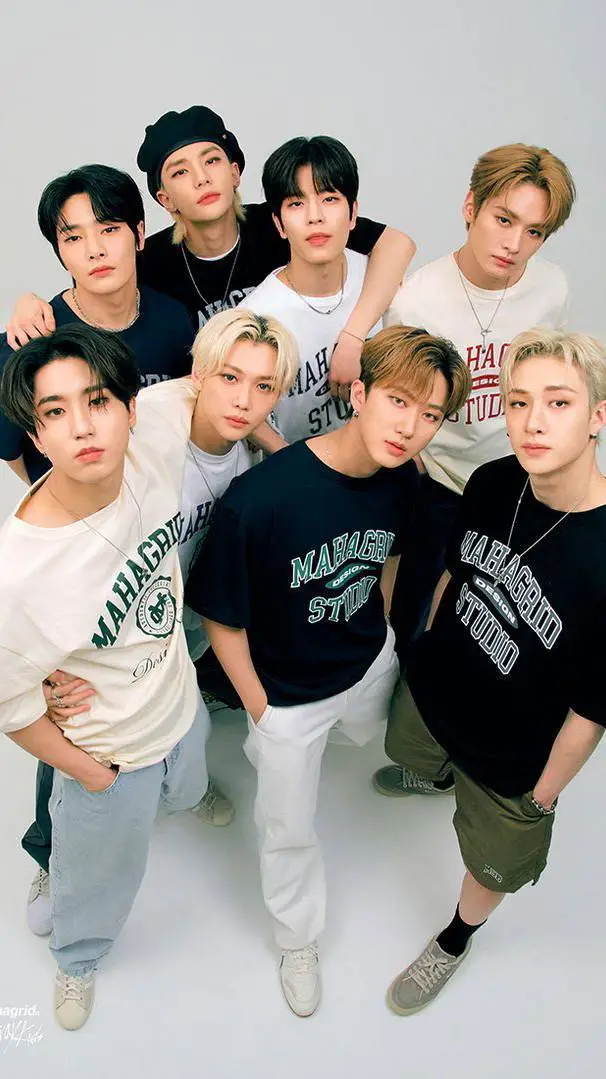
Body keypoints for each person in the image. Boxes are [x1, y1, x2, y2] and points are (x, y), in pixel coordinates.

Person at [0, 317, 297, 1030]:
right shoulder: (21, 576)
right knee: (101, 873)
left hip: (176, 695)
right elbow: (11, 708)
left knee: (190, 783)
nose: (83, 426)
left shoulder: (158, 427)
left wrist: (282, 447)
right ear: (36, 436)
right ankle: (77, 956)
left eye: (98, 401)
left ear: (131, 408)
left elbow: (224, 389)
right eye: (55, 412)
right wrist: (91, 772)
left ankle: (182, 792)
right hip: (110, 748)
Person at [184, 326, 471, 1017]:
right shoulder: (261, 498)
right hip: (287, 698)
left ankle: (399, 762)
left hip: (366, 661)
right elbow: (222, 617)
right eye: (398, 401)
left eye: (430, 414)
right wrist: (262, 711)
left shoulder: (401, 479)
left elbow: (391, 555)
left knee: (377, 732)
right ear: (360, 394)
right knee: (287, 827)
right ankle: (297, 938)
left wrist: (384, 624)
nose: (410, 427)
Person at [372, 329, 606, 1015]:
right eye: (519, 402)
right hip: (438, 691)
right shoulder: (494, 480)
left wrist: (541, 798)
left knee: (491, 863)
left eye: (558, 402)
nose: (533, 421)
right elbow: (454, 574)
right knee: (408, 751)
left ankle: (454, 939)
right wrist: (424, 648)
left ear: (598, 415)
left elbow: (592, 712)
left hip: (513, 758)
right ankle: (433, 774)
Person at [6, 104, 416, 402]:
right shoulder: (151, 259)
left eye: (212, 161)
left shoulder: (280, 223)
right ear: (165, 199)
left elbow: (397, 244)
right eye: (180, 171)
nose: (201, 179)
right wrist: (31, 304)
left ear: (235, 172)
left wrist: (354, 336)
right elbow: (92, 280)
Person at [385, 144, 576, 658]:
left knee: (500, 620)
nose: (514, 244)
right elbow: (401, 399)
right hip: (439, 481)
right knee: (413, 612)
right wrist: (418, 468)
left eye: (534, 232)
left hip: (517, 478)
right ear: (471, 207)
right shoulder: (417, 300)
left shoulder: (551, 289)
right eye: (503, 219)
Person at [0, 164, 195, 485]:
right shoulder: (34, 338)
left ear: (139, 234)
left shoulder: (172, 317)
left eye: (109, 229)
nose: (95, 251)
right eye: (74, 237)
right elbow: (11, 451)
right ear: (60, 253)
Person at [243, 135, 381, 444]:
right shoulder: (256, 316)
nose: (315, 216)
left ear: (353, 213)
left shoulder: (378, 280)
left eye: (329, 199)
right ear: (279, 224)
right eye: (296, 203)